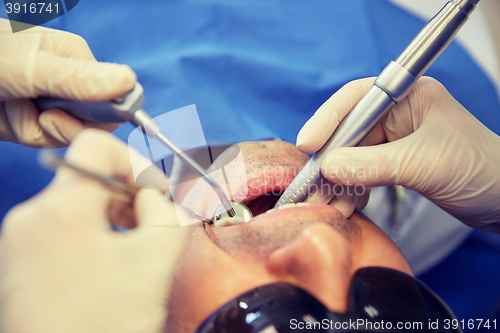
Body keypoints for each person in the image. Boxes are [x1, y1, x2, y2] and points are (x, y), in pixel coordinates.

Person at [2, 72, 500, 332]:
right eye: (385, 307)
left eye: (263, 320)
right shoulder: (462, 121)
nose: (323, 247)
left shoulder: (29, 290)